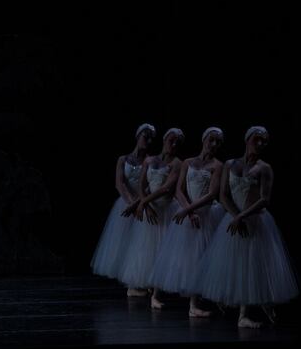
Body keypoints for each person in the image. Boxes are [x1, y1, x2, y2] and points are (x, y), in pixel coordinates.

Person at [196, 126, 298, 328]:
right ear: (247, 139)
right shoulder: (230, 164)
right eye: (256, 139)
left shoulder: (264, 168)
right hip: (235, 219)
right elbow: (223, 194)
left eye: (263, 141)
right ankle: (236, 308)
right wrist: (236, 216)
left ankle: (252, 310)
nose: (260, 144)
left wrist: (242, 216)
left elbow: (264, 200)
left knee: (254, 265)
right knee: (235, 264)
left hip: (256, 219)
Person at [147, 127, 226, 317]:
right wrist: (188, 211)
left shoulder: (218, 166)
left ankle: (194, 305)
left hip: (205, 215)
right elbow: (178, 190)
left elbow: (212, 195)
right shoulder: (188, 162)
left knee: (199, 257)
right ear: (204, 139)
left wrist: (190, 211)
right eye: (211, 140)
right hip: (187, 212)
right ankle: (156, 295)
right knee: (173, 254)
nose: (214, 145)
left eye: (218, 142)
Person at [120, 127, 185, 307]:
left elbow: (167, 188)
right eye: (171, 140)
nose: (173, 145)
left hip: (165, 209)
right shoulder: (149, 160)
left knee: (162, 251)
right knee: (145, 249)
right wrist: (146, 205)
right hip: (151, 209)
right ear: (164, 140)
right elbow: (142, 185)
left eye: (177, 143)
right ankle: (143, 285)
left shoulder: (178, 163)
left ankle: (156, 295)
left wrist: (143, 202)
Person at [90, 123, 156, 283]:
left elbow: (150, 186)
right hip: (126, 202)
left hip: (142, 203)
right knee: (123, 242)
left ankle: (138, 279)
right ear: (138, 136)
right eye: (144, 136)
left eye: (150, 138)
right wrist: (130, 203)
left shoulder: (151, 161)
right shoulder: (123, 159)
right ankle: (127, 281)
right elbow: (119, 183)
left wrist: (137, 204)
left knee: (140, 244)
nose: (147, 140)